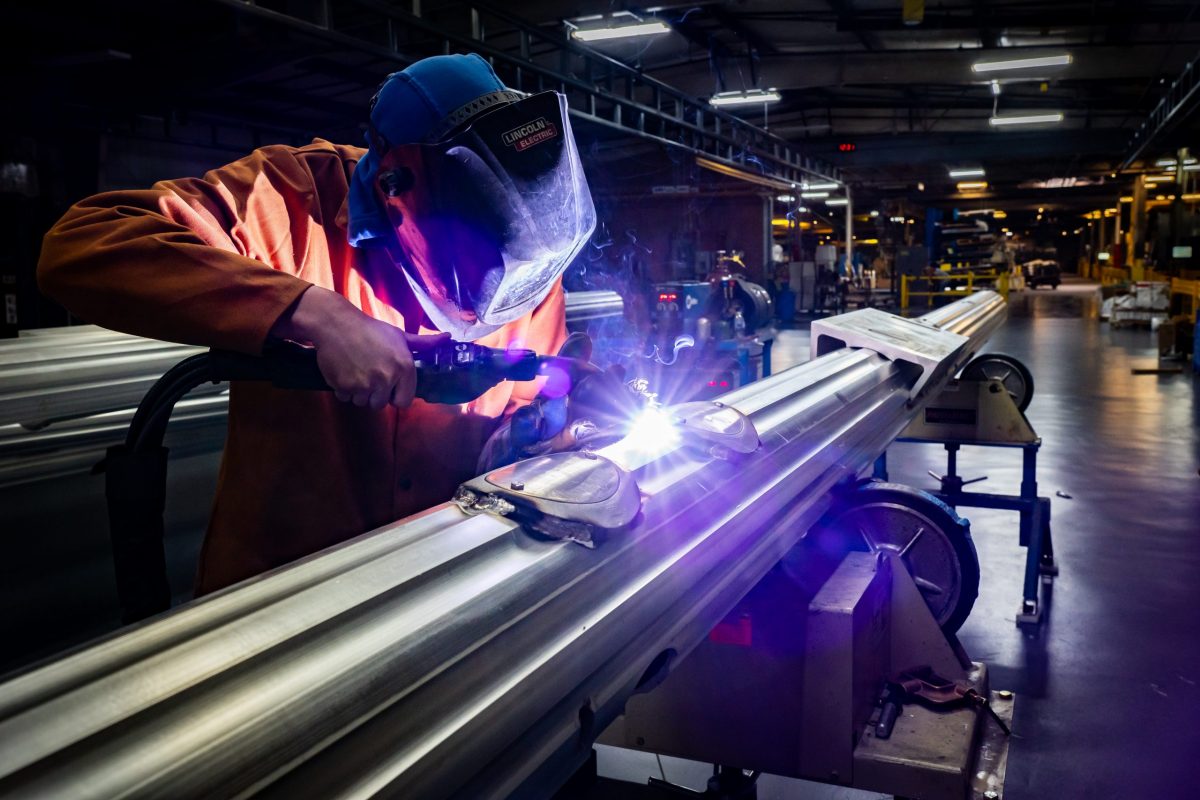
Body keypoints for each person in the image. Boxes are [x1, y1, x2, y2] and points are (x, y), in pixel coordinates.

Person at [37, 54, 597, 594]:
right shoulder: (287, 198)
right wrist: (311, 312)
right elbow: (81, 244)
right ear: (394, 186)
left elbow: (528, 413)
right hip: (279, 598)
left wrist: (540, 433)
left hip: (442, 583)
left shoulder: (529, 260)